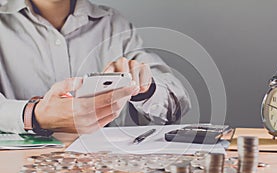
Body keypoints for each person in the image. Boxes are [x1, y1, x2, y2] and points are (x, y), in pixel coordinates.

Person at [0, 0, 191, 135]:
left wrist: (146, 89)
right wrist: (33, 115)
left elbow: (176, 104)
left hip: (103, 169)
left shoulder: (113, 25)